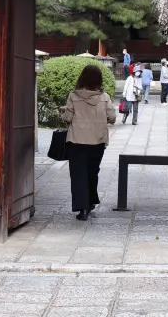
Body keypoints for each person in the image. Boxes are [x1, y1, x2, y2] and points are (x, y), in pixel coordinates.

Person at [61, 65, 117, 221]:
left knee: (78, 174)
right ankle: (91, 202)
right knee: (92, 172)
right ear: (99, 79)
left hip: (77, 141)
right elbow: (112, 117)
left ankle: (82, 208)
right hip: (97, 142)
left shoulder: (73, 96)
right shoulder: (104, 97)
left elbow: (67, 118)